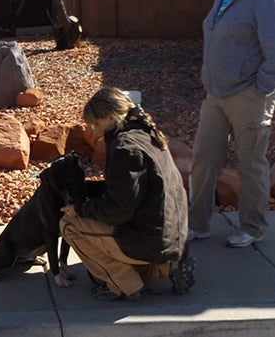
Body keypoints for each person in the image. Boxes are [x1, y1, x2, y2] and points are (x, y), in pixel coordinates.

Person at [60, 87, 193, 301]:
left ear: (112, 117)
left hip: (151, 241)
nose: (93, 131)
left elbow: (117, 211)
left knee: (68, 224)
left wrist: (79, 208)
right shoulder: (147, 133)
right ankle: (166, 267)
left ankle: (123, 285)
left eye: (96, 124)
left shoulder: (125, 149)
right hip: (174, 236)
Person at [188, 0, 275, 248]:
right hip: (216, 94)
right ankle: (198, 224)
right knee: (203, 158)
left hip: (249, 95)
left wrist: (260, 89)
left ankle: (252, 227)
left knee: (251, 164)